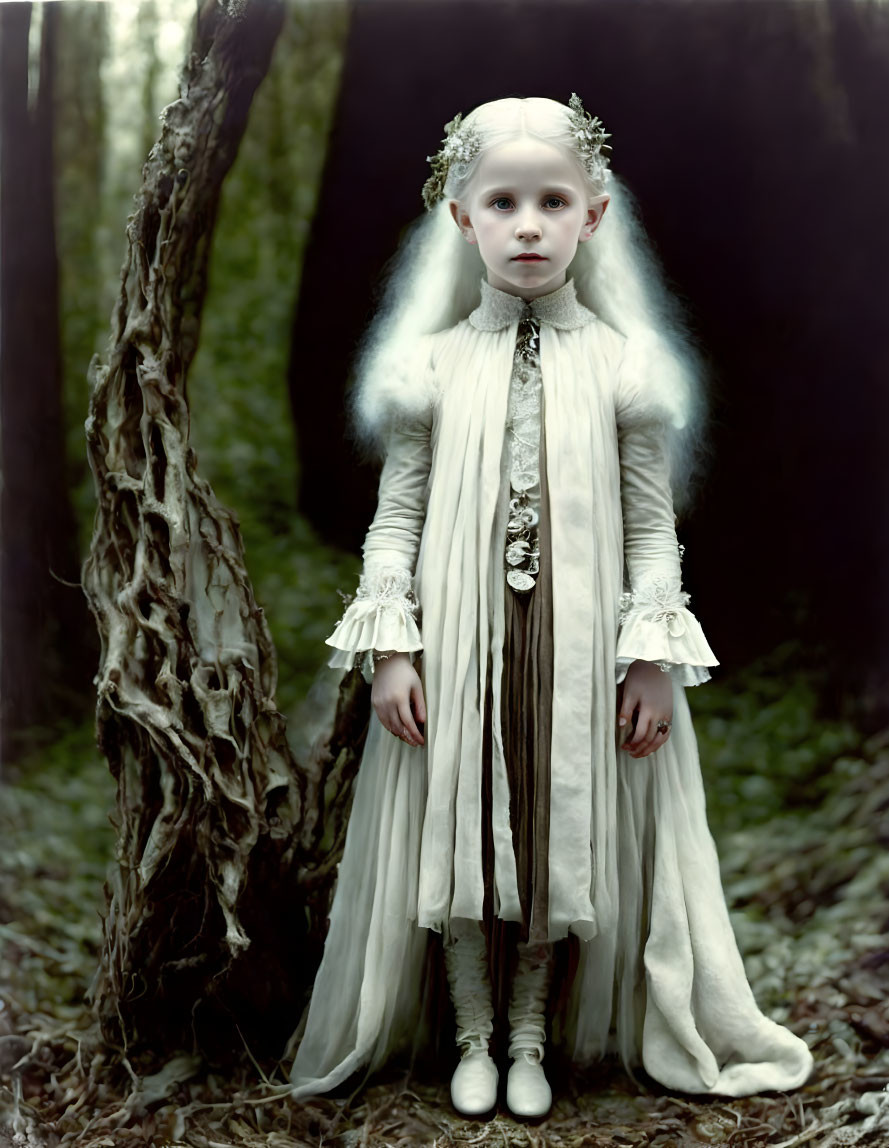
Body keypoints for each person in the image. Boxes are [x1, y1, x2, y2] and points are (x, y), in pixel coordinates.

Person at [287, 95, 813, 1119]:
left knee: (551, 814)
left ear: (594, 215)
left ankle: (530, 1033)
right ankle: (471, 1032)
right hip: (460, 637)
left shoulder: (625, 368)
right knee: (463, 817)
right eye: (503, 202)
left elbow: (651, 528)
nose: (527, 224)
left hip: (573, 641)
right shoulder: (429, 368)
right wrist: (392, 645)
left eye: (551, 201)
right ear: (460, 217)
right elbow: (394, 522)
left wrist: (650, 654)